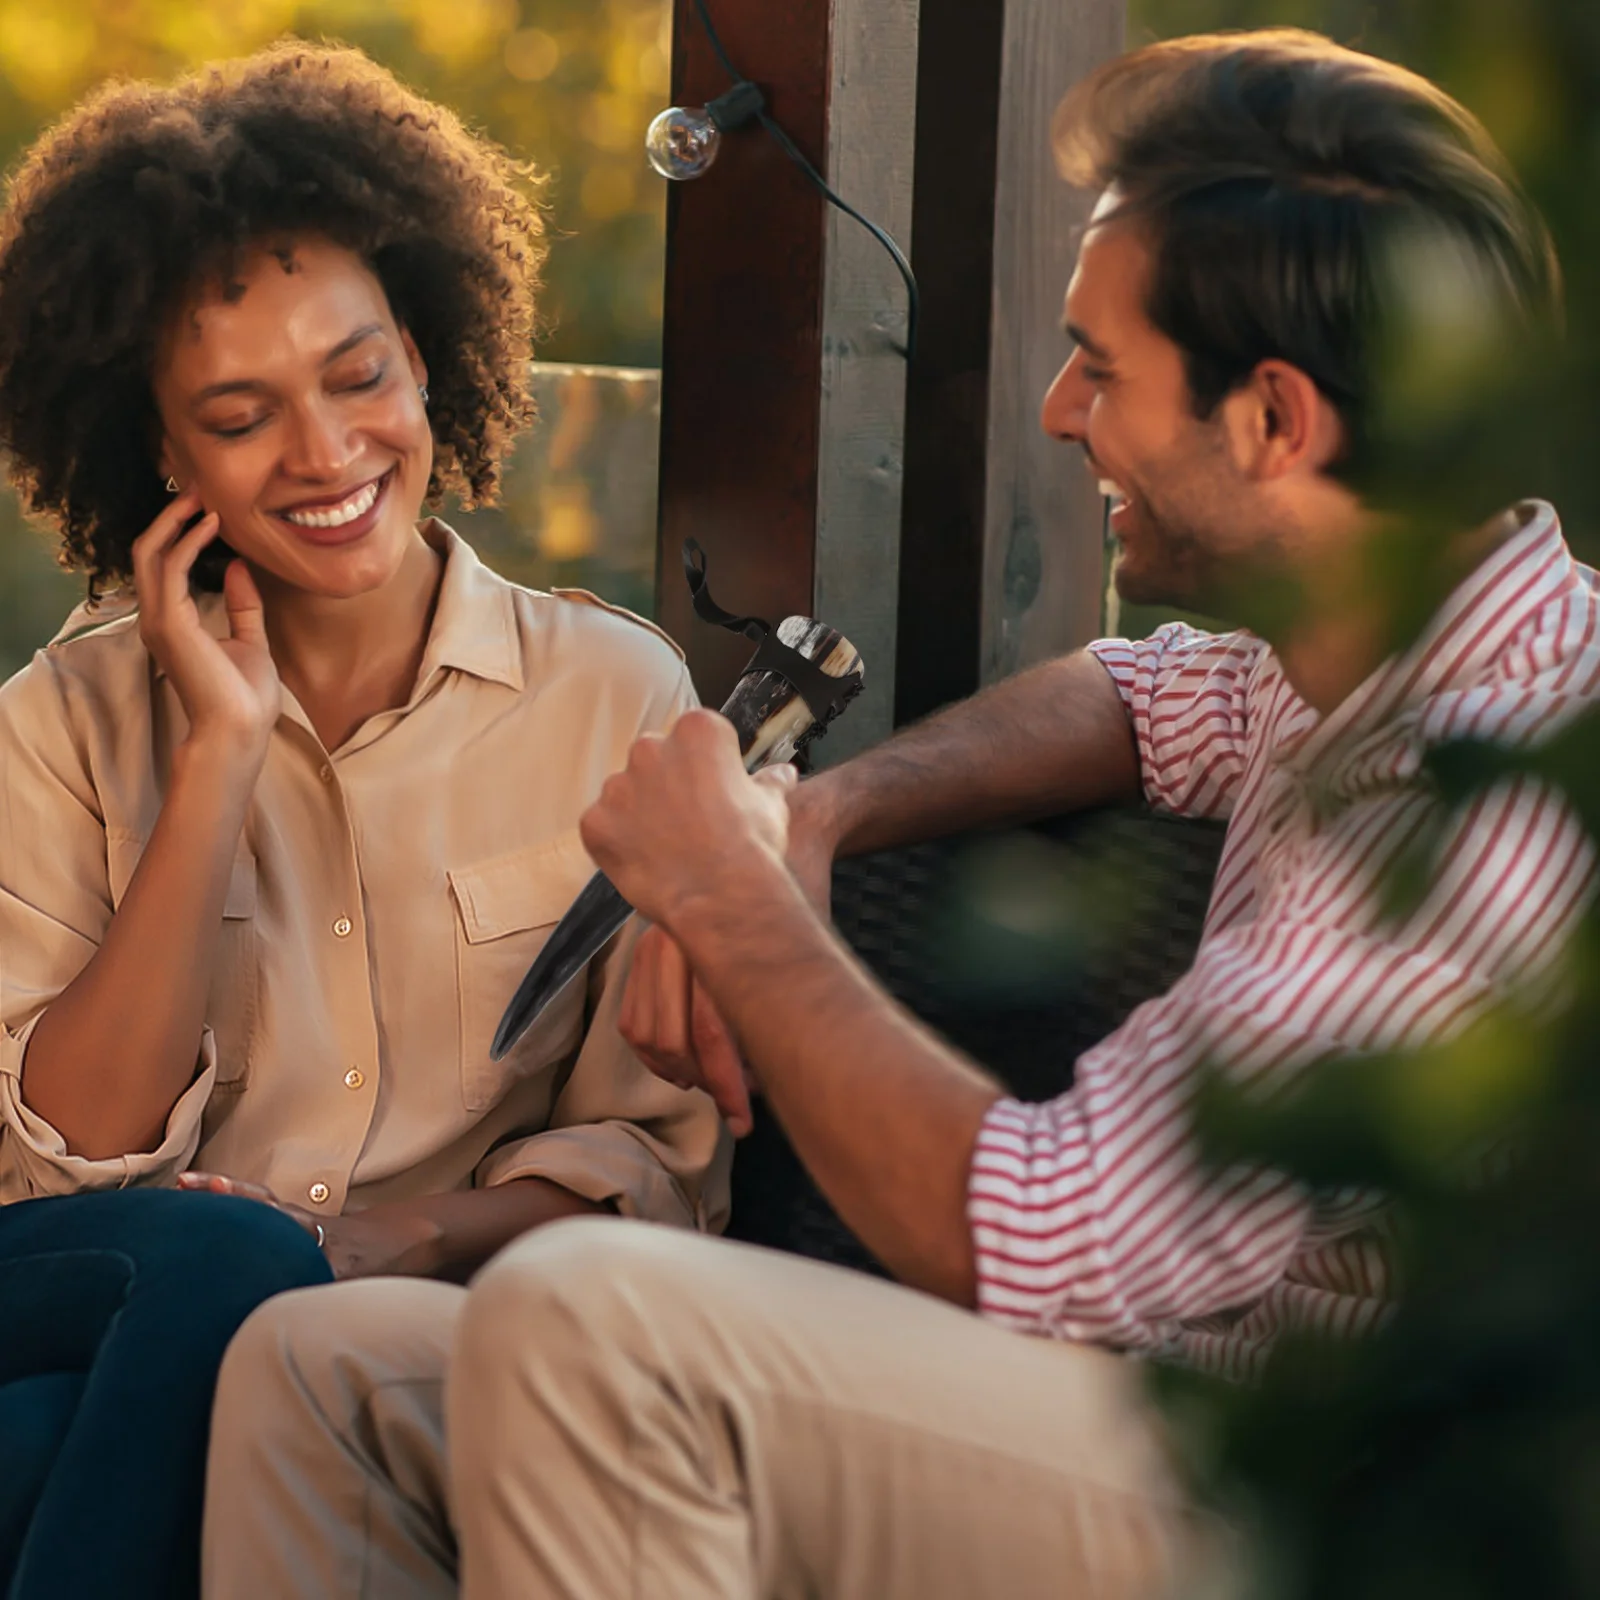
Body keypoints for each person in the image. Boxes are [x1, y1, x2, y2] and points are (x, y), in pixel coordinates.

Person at [204, 29, 1596, 1600]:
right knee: (323, 1367)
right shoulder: (1362, 638)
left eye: (1102, 366)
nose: (1062, 412)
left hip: (1321, 1499)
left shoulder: (1484, 797)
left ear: (1275, 421)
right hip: (1144, 1404)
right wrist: (825, 816)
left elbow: (1042, 1235)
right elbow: (1142, 699)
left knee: (596, 1324)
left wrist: (732, 891)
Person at [0, 44, 725, 1600]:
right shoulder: (59, 725)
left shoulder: (612, 700)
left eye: (358, 376)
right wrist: (217, 761)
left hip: (374, 1336)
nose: (327, 456)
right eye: (241, 414)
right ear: (161, 452)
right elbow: (67, 1176)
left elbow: (656, 1159)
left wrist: (409, 1236)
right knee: (222, 1268)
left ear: (430, 352)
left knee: (47, 1448)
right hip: (93, 1277)